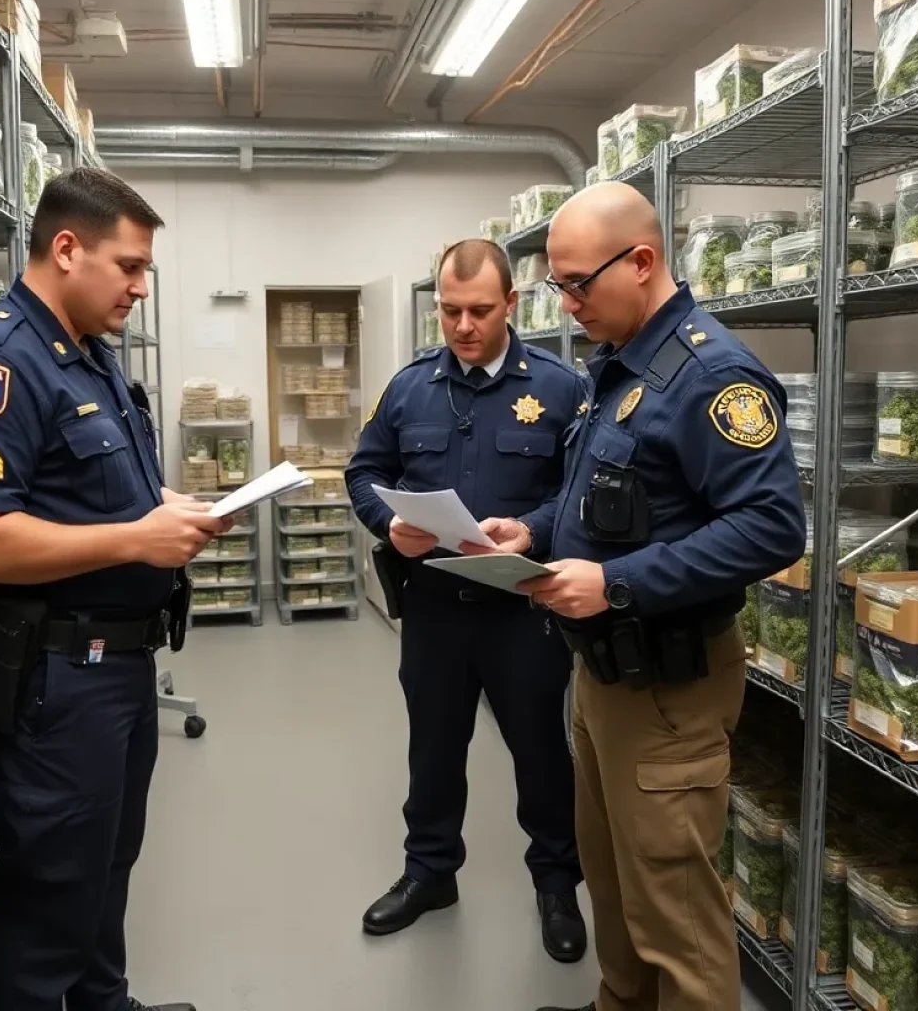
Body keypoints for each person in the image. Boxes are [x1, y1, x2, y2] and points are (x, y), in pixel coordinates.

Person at [0, 168, 225, 1011]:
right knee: (52, 892)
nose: (138, 287)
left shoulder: (85, 357)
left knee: (105, 868)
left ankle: (106, 1003)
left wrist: (168, 511)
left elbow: (80, 490)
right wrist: (137, 538)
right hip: (60, 682)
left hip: (118, 668)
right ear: (66, 248)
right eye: (129, 267)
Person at [521, 183, 807, 1011]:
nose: (568, 304)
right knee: (615, 888)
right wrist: (532, 534)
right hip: (603, 675)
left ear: (641, 262)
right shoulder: (621, 365)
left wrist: (614, 584)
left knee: (675, 915)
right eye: (559, 288)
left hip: (667, 688)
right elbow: (600, 498)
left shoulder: (711, 373)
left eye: (578, 284)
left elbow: (770, 527)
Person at [345, 239, 588, 961]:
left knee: (542, 753)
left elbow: (576, 495)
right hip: (435, 609)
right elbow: (365, 471)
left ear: (511, 304)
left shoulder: (560, 387)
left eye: (479, 310)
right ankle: (429, 874)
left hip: (523, 610)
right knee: (433, 749)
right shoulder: (410, 387)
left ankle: (555, 885)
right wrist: (389, 524)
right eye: (449, 310)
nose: (462, 325)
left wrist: (533, 530)